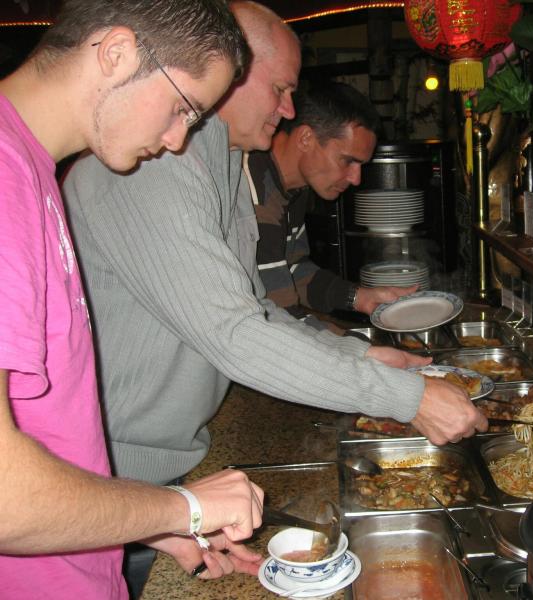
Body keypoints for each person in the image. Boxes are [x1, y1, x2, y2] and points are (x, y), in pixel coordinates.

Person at [61, 0, 487, 592]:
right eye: (281, 89)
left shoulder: (225, 164)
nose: (289, 109)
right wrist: (407, 397)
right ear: (228, 69)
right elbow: (234, 334)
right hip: (100, 481)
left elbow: (254, 306)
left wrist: (363, 355)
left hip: (155, 472)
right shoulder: (159, 162)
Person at [0, 1, 267, 599]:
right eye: (182, 108)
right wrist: (183, 508)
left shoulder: (32, 170)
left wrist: (151, 523)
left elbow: (47, 431)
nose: (177, 140)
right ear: (117, 53)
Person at [248, 82, 413, 316]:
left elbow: (293, 269)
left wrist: (359, 297)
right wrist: (348, 339)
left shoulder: (295, 187)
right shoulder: (254, 191)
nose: (356, 179)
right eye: (348, 161)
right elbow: (278, 312)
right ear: (306, 138)